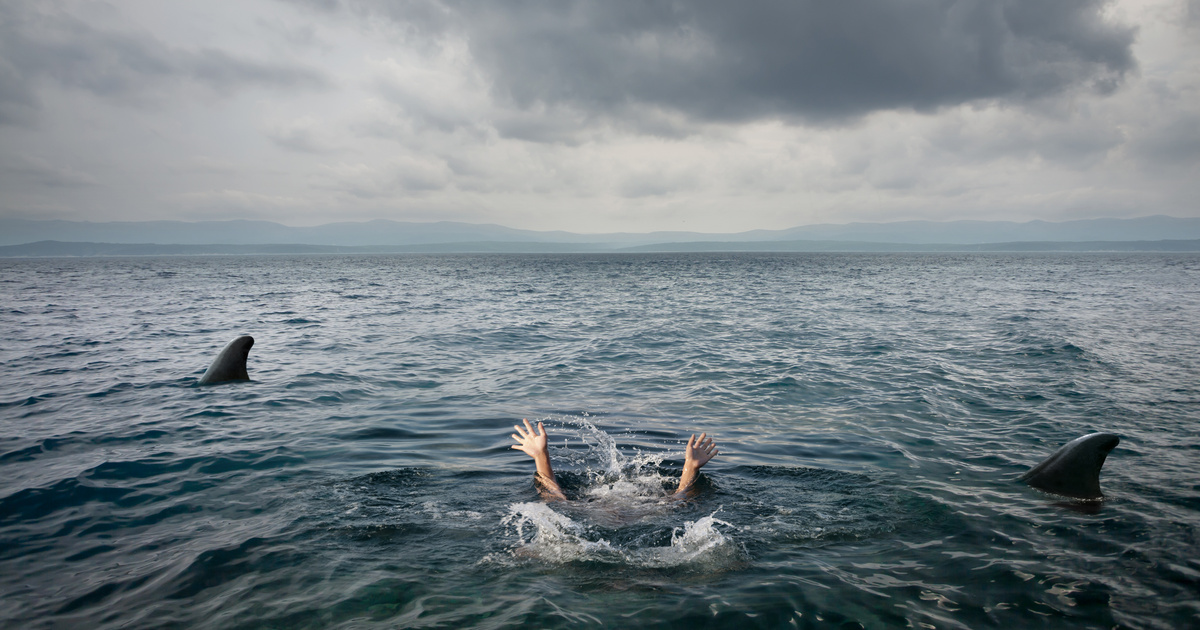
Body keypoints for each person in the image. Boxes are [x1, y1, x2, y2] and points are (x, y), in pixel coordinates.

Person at [510, 418, 719, 502]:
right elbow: (680, 498)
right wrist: (690, 468)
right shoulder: (653, 508)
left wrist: (541, 456)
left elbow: (554, 495)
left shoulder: (585, 507)